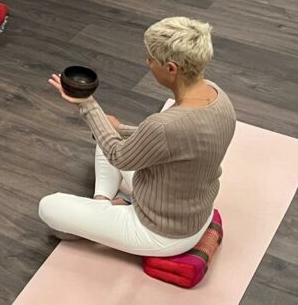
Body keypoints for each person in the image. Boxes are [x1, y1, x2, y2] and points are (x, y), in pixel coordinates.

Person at [38, 17, 236, 257]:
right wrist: (120, 128)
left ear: (171, 68)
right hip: (195, 212)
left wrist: (87, 105)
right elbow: (181, 142)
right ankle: (103, 202)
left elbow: (118, 156)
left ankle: (105, 209)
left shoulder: (164, 126)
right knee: (108, 134)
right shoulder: (217, 95)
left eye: (150, 59)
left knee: (49, 207)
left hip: (161, 233)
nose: (147, 63)